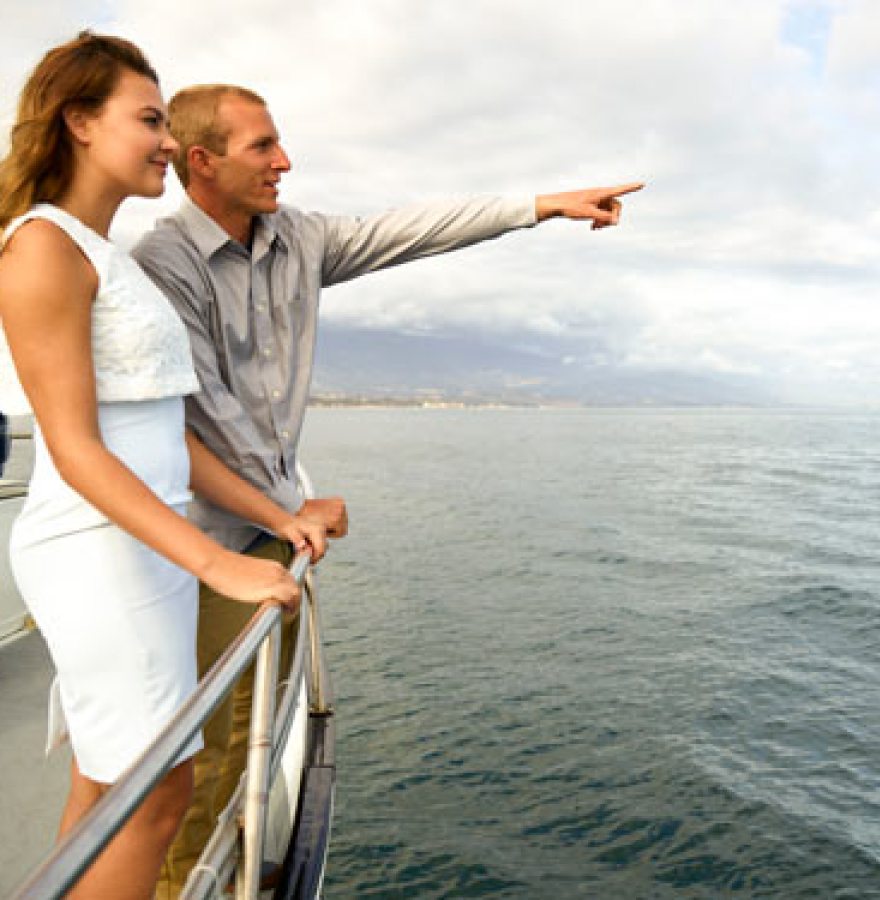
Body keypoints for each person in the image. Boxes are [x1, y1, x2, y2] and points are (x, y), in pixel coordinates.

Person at [132, 82, 640, 894]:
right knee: (205, 754)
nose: (284, 161)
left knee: (244, 735)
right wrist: (286, 510)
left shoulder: (297, 238)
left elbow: (405, 231)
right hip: (201, 542)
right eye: (262, 146)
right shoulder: (165, 263)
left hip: (273, 532)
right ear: (202, 161)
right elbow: (203, 419)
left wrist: (540, 205)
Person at [0, 34, 329, 899]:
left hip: (148, 550)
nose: (164, 141)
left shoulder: (110, 254)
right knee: (157, 793)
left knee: (107, 785)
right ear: (78, 122)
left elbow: (167, 438)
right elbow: (75, 450)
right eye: (147, 119)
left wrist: (272, 514)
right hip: (98, 552)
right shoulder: (41, 247)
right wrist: (219, 562)